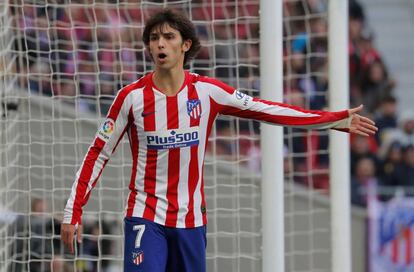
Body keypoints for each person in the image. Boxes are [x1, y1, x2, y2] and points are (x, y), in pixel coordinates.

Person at [61, 9, 377, 272]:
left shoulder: (207, 92)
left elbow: (265, 109)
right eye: (154, 38)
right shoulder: (130, 98)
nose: (160, 44)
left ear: (185, 45)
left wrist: (332, 119)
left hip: (191, 220)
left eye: (169, 37)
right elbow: (97, 155)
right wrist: (72, 212)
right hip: (146, 214)